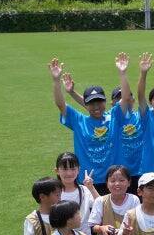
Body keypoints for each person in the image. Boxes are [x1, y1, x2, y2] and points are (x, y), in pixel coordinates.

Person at [49, 59, 117, 189]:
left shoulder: (113, 118)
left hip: (112, 181)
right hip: (87, 181)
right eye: (91, 103)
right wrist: (56, 80)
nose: (96, 106)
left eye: (99, 102)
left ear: (105, 102)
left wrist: (72, 93)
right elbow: (60, 105)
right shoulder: (79, 121)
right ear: (86, 104)